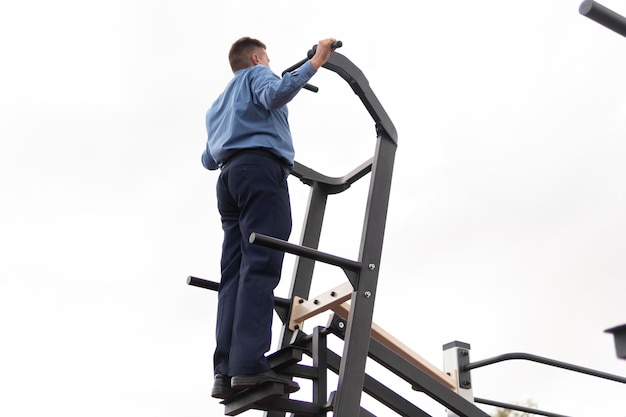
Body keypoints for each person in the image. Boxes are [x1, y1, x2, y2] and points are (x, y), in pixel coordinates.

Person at [201, 36, 337, 399]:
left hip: (229, 180)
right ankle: (248, 366)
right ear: (258, 58)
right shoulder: (257, 75)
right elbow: (275, 93)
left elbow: (208, 159)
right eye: (268, 61)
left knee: (234, 273)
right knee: (261, 265)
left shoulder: (218, 105)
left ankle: (224, 369)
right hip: (261, 172)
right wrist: (317, 61)